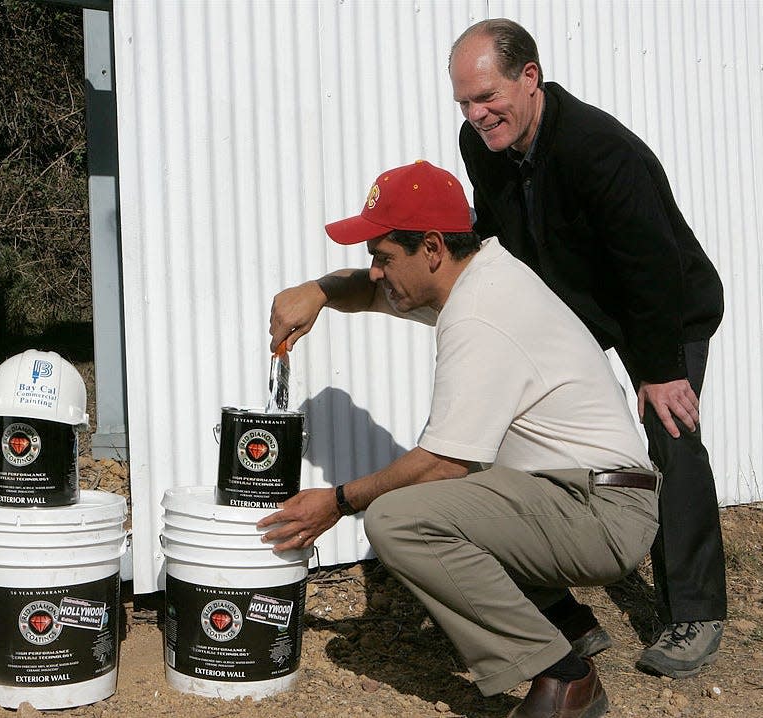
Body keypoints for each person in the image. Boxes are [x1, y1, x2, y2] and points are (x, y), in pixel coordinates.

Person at [259, 159, 660, 717]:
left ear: (430, 248)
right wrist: (318, 292)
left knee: (398, 516)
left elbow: (441, 463)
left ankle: (565, 679)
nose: (374, 272)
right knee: (434, 491)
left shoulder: (478, 314)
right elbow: (372, 294)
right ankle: (566, 624)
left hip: (602, 510)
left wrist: (338, 501)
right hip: (581, 492)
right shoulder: (472, 276)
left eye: (382, 257)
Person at [447, 18, 726, 679]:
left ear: (529, 78)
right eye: (463, 101)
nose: (477, 114)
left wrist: (659, 372)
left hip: (664, 308)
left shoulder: (599, 150)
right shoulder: (481, 142)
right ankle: (563, 614)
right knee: (511, 427)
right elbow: (496, 229)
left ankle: (695, 611)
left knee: (671, 437)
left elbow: (652, 265)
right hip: (578, 309)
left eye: (487, 96)